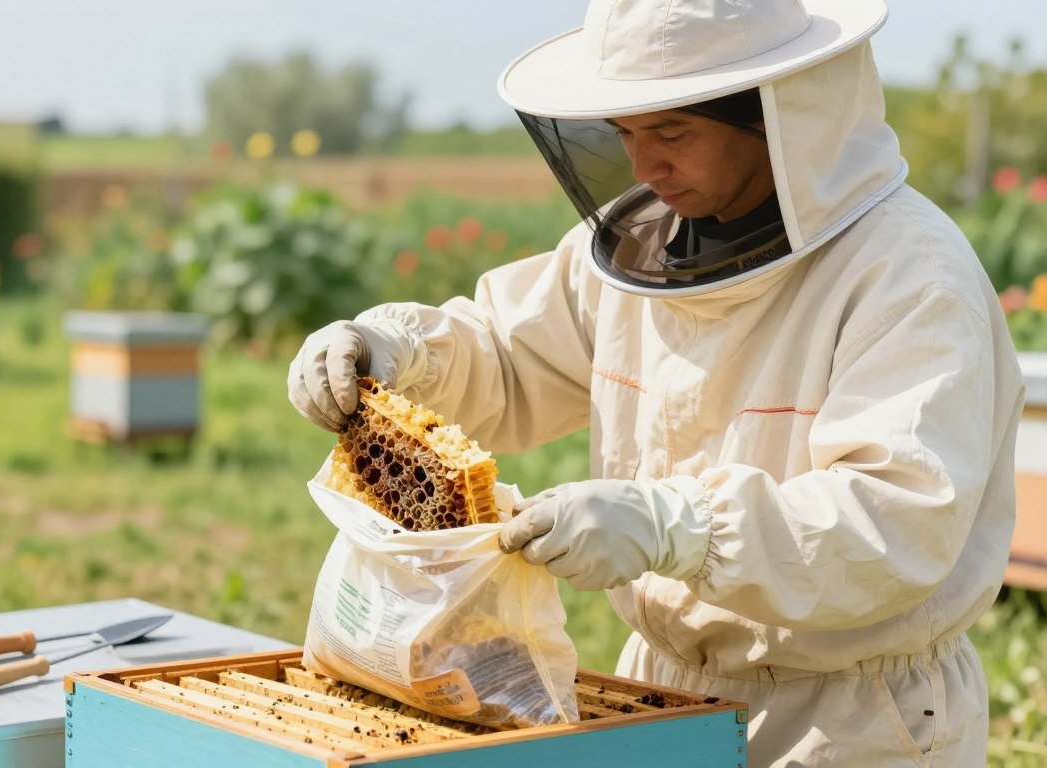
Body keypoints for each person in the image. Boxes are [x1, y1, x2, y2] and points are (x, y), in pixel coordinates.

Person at [287, 0, 1025, 764]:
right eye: (625, 135)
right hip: (665, 687)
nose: (644, 168)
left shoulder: (908, 275)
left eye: (672, 133)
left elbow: (894, 522)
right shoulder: (639, 245)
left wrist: (678, 526)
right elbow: (511, 356)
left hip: (851, 718)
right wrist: (390, 349)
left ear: (779, 119)